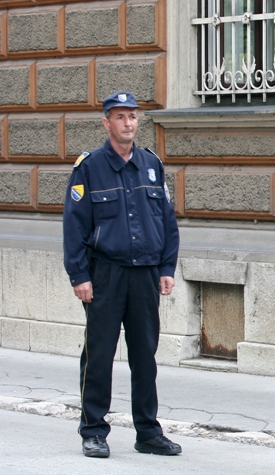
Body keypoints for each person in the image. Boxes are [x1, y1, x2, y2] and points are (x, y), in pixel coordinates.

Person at [63, 91, 182, 458]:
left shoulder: (151, 164)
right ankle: (93, 431)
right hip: (105, 275)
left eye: (132, 116)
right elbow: (74, 226)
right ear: (107, 123)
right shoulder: (90, 167)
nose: (127, 123)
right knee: (99, 355)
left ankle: (148, 432)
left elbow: (167, 220)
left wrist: (167, 267)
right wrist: (79, 276)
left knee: (145, 356)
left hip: (145, 273)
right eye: (119, 116)